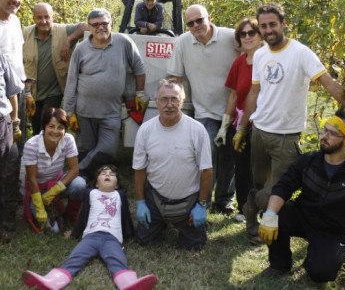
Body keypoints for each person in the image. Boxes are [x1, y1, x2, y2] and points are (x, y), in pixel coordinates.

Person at [233, 2, 345, 244]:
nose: (268, 30)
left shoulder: (301, 53)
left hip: (286, 137)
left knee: (275, 189)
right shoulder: (260, 54)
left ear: (283, 24)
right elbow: (253, 93)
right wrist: (242, 128)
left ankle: (250, 206)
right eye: (263, 26)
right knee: (261, 183)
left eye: (272, 24)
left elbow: (328, 82)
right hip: (259, 131)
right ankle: (253, 222)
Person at [258, 110, 345, 283]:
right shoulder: (309, 160)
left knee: (321, 273)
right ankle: (279, 264)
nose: (325, 136)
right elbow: (283, 186)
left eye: (333, 133)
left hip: (333, 230)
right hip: (303, 217)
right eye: (325, 131)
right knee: (273, 212)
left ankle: (320, 258)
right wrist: (270, 214)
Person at [22, 164, 158, 290]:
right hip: (90, 237)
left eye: (112, 174)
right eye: (104, 173)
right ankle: (51, 281)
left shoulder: (119, 195)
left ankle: (129, 283)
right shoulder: (90, 193)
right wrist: (75, 233)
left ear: (117, 185)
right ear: (97, 184)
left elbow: (125, 216)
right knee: (75, 259)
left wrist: (129, 234)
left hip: (112, 239)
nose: (108, 175)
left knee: (117, 261)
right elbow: (83, 216)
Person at [167, 4, 238, 214]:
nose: (196, 25)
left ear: (210, 17)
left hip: (233, 111)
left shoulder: (231, 38)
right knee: (207, 153)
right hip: (204, 111)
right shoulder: (183, 42)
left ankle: (224, 200)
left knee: (230, 157)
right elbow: (175, 77)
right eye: (190, 23)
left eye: (199, 20)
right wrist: (174, 104)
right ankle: (203, 198)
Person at [63, 8, 147, 180]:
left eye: (104, 23)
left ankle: (76, 172)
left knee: (107, 149)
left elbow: (139, 67)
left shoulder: (123, 42)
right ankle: (92, 184)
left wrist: (139, 93)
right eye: (95, 25)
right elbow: (72, 80)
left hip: (111, 112)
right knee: (87, 148)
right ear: (89, 27)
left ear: (111, 24)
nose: (100, 27)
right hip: (85, 112)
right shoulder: (81, 49)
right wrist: (69, 111)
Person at [133, 79, 212, 250]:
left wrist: (201, 205)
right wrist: (140, 202)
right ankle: (159, 222)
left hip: (188, 201)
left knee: (194, 246)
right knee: (143, 240)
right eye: (164, 99)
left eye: (174, 99)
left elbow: (206, 171)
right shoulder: (145, 130)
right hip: (155, 198)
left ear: (182, 101)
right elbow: (139, 169)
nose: (169, 104)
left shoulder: (197, 130)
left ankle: (183, 223)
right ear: (157, 102)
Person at [214, 18, 262, 222]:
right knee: (242, 167)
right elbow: (234, 95)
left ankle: (263, 209)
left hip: (263, 124)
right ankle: (244, 209)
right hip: (242, 123)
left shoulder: (268, 60)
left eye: (252, 32)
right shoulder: (239, 63)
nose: (248, 37)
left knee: (260, 169)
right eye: (243, 34)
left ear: (261, 35)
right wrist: (225, 127)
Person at [23, 2, 88, 135]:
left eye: (47, 17)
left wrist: (69, 40)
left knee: (46, 124)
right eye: (39, 18)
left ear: (53, 17)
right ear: (33, 18)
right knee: (36, 128)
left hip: (54, 92)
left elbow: (86, 26)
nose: (44, 21)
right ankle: (41, 151)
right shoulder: (25, 33)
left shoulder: (63, 30)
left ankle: (49, 151)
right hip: (33, 92)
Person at [22, 108, 86, 232]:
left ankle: (69, 216)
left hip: (57, 182)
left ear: (65, 129)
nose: (56, 131)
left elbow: (74, 170)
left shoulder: (68, 139)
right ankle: (42, 210)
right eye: (51, 126)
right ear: (44, 127)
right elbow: (31, 179)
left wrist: (54, 191)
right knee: (53, 230)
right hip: (37, 188)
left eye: (60, 127)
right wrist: (40, 207)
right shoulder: (31, 145)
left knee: (80, 184)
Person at [0, 0, 27, 242]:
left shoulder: (16, 21)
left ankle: (11, 214)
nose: (16, 0)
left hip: (14, 97)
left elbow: (16, 63)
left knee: (12, 159)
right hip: (4, 100)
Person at [0, 51, 24, 242]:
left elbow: (13, 92)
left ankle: (7, 224)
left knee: (7, 172)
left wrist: (15, 122)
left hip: (2, 122)